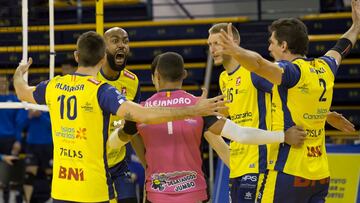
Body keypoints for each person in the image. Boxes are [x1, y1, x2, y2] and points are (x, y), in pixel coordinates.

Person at [12, 31, 226, 203]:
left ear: (77, 56)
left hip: (65, 184)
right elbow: (143, 115)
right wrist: (193, 110)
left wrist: (19, 73)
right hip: (94, 183)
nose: (122, 45)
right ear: (103, 56)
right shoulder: (101, 91)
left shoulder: (54, 85)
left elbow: (22, 92)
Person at [109, 52, 307, 203]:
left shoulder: (141, 111)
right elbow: (241, 134)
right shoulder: (200, 107)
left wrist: (121, 131)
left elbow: (114, 142)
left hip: (157, 195)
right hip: (195, 193)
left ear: (156, 77)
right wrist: (283, 136)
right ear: (184, 74)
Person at [215, 0, 359, 201]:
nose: (269, 48)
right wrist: (356, 26)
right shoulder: (325, 66)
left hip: (289, 170)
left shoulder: (291, 71)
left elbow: (258, 64)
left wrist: (235, 51)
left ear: (283, 45)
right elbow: (343, 46)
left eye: (272, 43)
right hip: (319, 175)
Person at [208, 23, 275, 203]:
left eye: (217, 43)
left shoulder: (254, 71)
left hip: (259, 163)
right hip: (237, 164)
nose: (212, 49)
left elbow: (286, 96)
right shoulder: (223, 79)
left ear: (234, 41)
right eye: (209, 45)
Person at [97, 27, 141, 203]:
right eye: (115, 41)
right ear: (103, 47)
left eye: (125, 40)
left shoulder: (133, 81)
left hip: (119, 164)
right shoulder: (91, 78)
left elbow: (134, 126)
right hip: (94, 166)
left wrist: (146, 164)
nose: (122, 45)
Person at [0, 75, 26, 203]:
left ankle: (9, 196)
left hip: (10, 139)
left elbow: (19, 123)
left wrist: (18, 140)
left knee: (9, 168)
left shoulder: (13, 99)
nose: (2, 85)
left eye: (4, 82)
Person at [21, 108, 52, 203]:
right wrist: (29, 117)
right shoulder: (27, 107)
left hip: (47, 144)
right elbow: (20, 126)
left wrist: (40, 115)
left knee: (50, 173)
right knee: (29, 174)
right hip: (32, 144)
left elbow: (53, 125)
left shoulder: (47, 107)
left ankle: (52, 198)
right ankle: (27, 200)